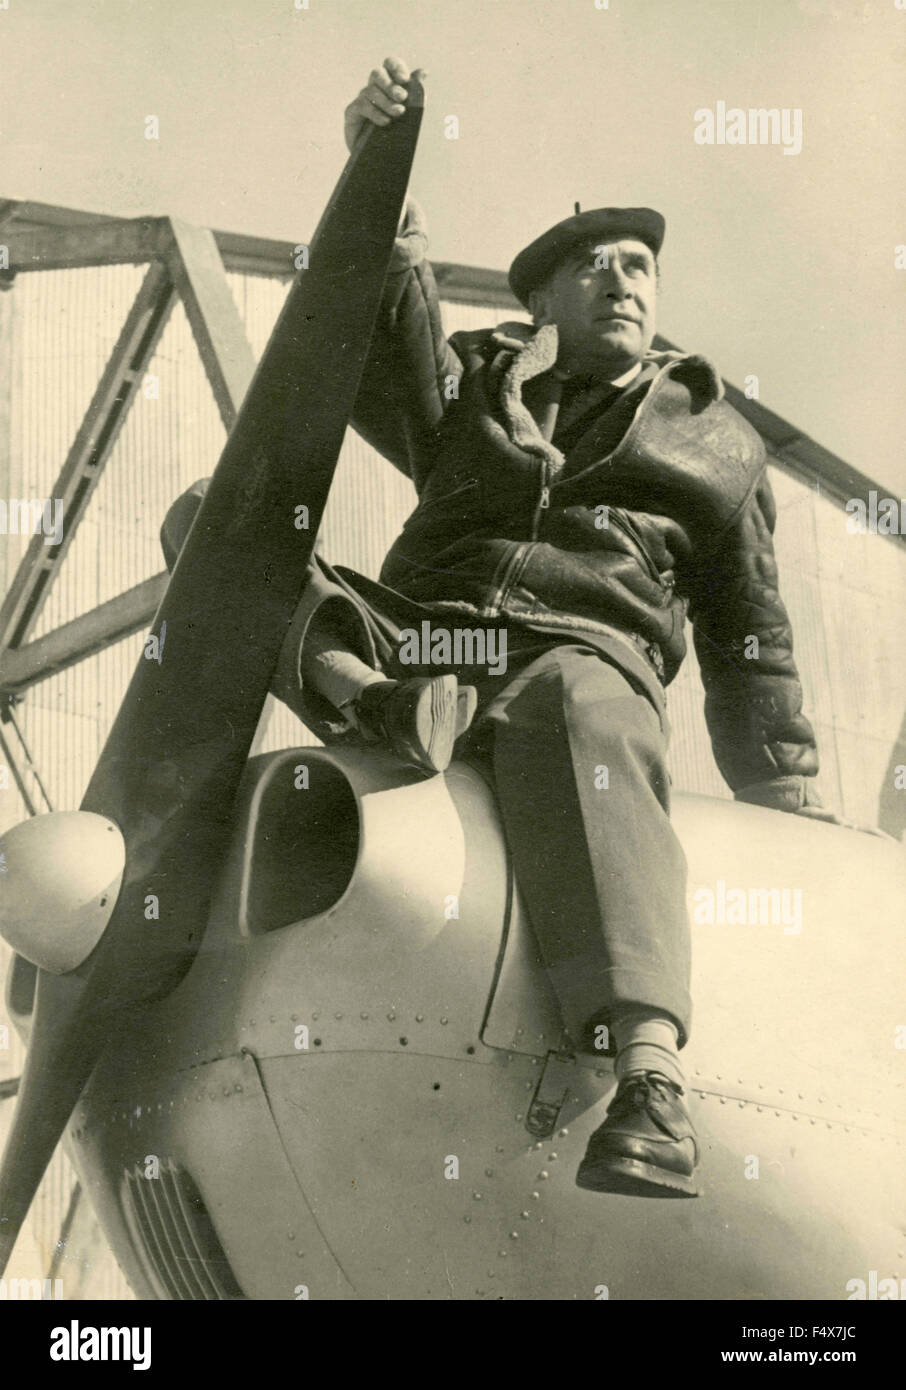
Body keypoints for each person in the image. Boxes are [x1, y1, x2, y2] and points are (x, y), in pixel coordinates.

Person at [163, 56, 829, 1198]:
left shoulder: (718, 441)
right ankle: (372, 697)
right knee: (208, 523)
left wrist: (793, 803)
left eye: (639, 267)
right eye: (593, 266)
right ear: (542, 301)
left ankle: (651, 1084)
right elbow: (381, 333)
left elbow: (751, 641)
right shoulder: (480, 384)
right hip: (436, 642)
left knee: (578, 702)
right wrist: (377, 169)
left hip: (581, 651)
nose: (622, 282)